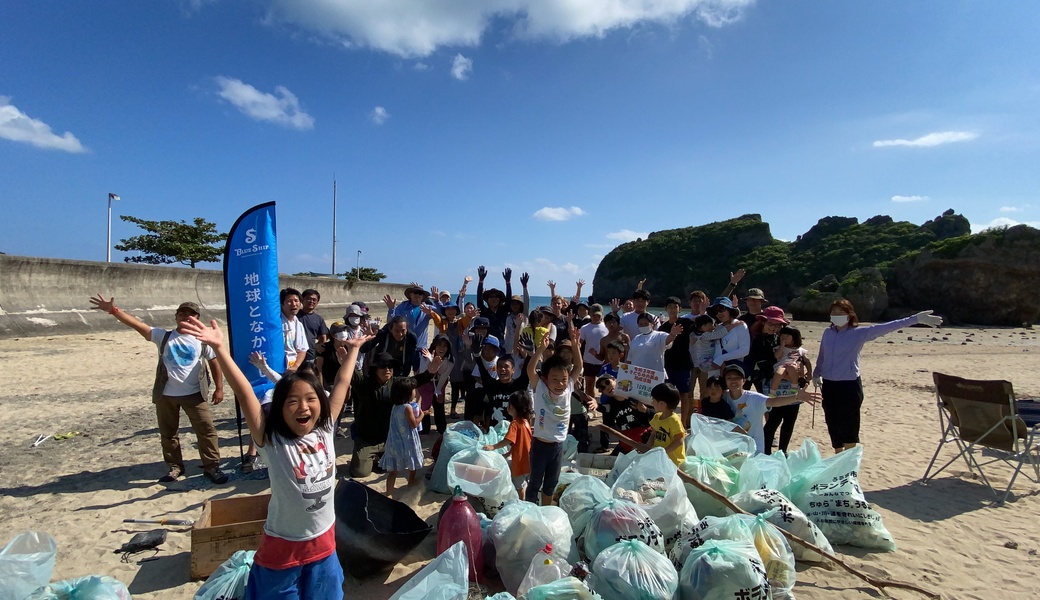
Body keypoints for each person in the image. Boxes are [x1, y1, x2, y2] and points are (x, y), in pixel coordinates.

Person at [179, 315, 367, 599]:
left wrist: (354, 349)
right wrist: (219, 349)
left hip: (324, 544)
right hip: (283, 547)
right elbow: (244, 394)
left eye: (310, 399)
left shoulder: (326, 429)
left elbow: (342, 381)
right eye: (292, 401)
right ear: (279, 408)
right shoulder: (272, 440)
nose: (303, 407)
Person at [88, 295, 227, 484]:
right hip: (166, 395)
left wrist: (219, 388)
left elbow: (214, 363)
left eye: (191, 314)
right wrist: (114, 311)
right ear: (176, 316)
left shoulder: (202, 340)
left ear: (197, 318)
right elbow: (138, 325)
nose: (186, 317)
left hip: (195, 394)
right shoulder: (164, 336)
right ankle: (175, 467)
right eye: (182, 313)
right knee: (169, 434)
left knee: (207, 431)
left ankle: (212, 467)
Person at [815, 299, 942, 453]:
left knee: (849, 425)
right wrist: (816, 373)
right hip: (829, 385)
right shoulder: (828, 332)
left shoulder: (859, 333)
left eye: (841, 312)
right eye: (834, 312)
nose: (836, 315)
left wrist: (915, 319)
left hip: (848, 385)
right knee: (832, 422)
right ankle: (838, 457)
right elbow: (822, 355)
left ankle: (848, 463)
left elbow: (888, 327)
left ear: (849, 315)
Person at [347, 351, 440, 478]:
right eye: (382, 366)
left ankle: (376, 458)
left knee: (388, 468)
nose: (387, 369)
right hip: (366, 439)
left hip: (388, 439)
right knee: (360, 472)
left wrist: (430, 372)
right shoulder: (364, 383)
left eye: (390, 367)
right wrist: (345, 362)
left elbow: (414, 381)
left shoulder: (397, 383)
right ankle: (368, 456)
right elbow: (351, 373)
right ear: (375, 369)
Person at [526, 328, 582, 506]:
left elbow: (578, 367)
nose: (560, 384)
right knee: (534, 483)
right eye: (555, 379)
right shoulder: (540, 388)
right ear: (545, 379)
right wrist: (540, 350)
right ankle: (530, 509)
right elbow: (530, 369)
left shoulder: (569, 388)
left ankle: (546, 510)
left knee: (551, 484)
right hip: (540, 444)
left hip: (557, 446)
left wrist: (575, 346)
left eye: (563, 379)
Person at [722, 364, 816, 455]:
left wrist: (796, 397)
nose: (733, 381)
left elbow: (774, 402)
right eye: (729, 378)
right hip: (730, 448)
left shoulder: (754, 398)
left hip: (754, 449)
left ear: (744, 380)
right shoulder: (723, 397)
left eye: (737, 378)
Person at [380, 378, 426, 496]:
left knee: (393, 471)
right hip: (407, 440)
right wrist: (422, 415)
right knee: (412, 461)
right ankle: (411, 481)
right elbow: (414, 424)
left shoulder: (396, 406)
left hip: (395, 440)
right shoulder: (407, 408)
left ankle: (389, 493)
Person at [483, 390, 534, 496]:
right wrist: (508, 453)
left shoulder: (514, 424)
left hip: (519, 462)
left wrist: (493, 446)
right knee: (528, 483)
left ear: (512, 407)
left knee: (519, 486)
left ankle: (522, 502)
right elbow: (520, 443)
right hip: (529, 459)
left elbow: (509, 440)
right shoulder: (526, 422)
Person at [658, 296, 695, 423]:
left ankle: (683, 423)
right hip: (667, 365)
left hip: (683, 363)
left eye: (675, 307)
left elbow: (700, 328)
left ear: (680, 308)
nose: (672, 309)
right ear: (665, 309)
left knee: (684, 394)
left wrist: (702, 312)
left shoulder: (686, 323)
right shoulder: (662, 327)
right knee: (667, 395)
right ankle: (669, 421)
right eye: (670, 307)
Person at [418, 335, 454, 435]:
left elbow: (444, 375)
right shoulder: (426, 355)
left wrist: (438, 390)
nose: (442, 348)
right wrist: (431, 361)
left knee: (439, 403)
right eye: (439, 345)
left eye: (445, 346)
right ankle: (425, 428)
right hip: (426, 382)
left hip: (440, 382)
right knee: (425, 405)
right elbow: (423, 371)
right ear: (434, 346)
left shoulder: (450, 361)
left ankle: (441, 428)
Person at [648, 382, 686, 466]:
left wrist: (663, 452)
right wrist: (647, 448)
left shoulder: (674, 420)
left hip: (673, 461)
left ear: (662, 404)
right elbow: (653, 434)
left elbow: (679, 440)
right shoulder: (657, 417)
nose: (652, 402)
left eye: (654, 400)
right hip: (659, 459)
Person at [709, 297, 750, 371]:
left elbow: (745, 350)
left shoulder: (740, 325)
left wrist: (721, 358)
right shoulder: (717, 328)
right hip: (715, 369)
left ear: (730, 310)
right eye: (716, 311)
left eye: (721, 309)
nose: (719, 313)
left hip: (733, 370)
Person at [476, 266, 514, 343]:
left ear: (500, 300)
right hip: (485, 344)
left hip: (500, 345)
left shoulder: (503, 311)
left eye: (496, 297)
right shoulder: (484, 311)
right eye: (491, 297)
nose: (494, 299)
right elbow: (479, 298)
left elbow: (509, 299)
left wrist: (508, 282)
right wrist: (481, 281)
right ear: (487, 300)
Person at [769, 326, 811, 395]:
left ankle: (794, 389)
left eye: (787, 336)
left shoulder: (800, 350)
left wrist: (809, 372)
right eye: (782, 335)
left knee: (791, 368)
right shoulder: (778, 348)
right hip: (781, 365)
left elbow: (807, 361)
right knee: (778, 373)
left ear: (794, 338)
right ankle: (772, 392)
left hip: (794, 366)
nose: (784, 337)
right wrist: (782, 346)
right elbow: (777, 356)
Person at [297, 289, 330, 370]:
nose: (311, 301)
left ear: (317, 303)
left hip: (310, 356)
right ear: (302, 300)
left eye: (314, 300)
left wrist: (316, 348)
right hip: (293, 355)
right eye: (308, 298)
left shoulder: (319, 319)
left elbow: (323, 338)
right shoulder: (294, 316)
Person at [280, 288, 310, 373]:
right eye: (289, 301)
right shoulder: (276, 322)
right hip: (277, 366)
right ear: (282, 304)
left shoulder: (298, 324)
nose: (294, 304)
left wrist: (296, 366)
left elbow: (302, 349)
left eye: (296, 301)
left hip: (291, 367)